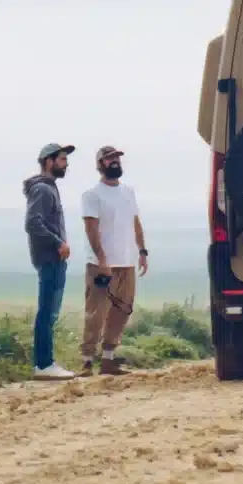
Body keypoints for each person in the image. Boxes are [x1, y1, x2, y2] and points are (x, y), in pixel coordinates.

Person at [80, 145, 147, 375]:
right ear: (100, 164)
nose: (115, 161)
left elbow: (135, 224)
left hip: (127, 262)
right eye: (109, 159)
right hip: (101, 265)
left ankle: (108, 359)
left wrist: (143, 251)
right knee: (96, 313)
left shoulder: (129, 192)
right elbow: (91, 228)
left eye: (117, 158)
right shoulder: (92, 194)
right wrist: (102, 260)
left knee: (122, 311)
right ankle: (87, 361)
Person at [23, 142, 77, 379]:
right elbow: (32, 223)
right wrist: (58, 243)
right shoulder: (43, 190)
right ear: (48, 161)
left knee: (49, 311)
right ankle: (44, 365)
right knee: (47, 312)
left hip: (52, 258)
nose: (66, 163)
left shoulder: (48, 188)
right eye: (62, 159)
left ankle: (45, 363)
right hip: (49, 258)